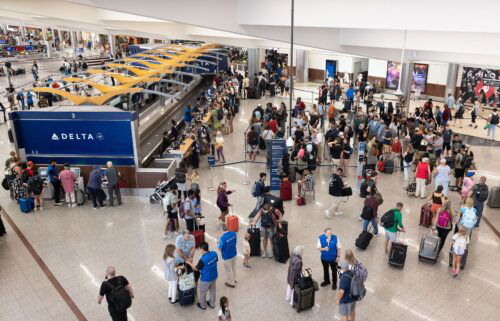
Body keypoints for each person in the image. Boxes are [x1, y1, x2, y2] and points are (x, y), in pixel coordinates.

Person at [188, 242, 218, 310]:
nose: (199, 250)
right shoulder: (214, 253)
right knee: (213, 290)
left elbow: (196, 269)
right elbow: (216, 261)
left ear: (202, 249)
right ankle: (212, 304)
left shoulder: (203, 260)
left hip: (206, 279)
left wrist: (189, 263)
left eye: (200, 249)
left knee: (203, 292)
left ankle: (203, 305)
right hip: (214, 276)